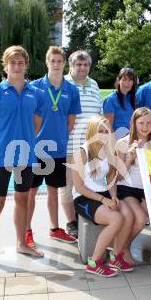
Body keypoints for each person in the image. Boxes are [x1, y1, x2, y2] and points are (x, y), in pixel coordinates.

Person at [0, 45, 45, 273]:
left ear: (26, 65)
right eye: (12, 63)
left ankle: (21, 243)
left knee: (22, 200)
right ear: (5, 65)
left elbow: (36, 125)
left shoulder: (37, 94)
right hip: (1, 158)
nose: (16, 67)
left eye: (20, 63)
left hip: (26, 155)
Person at [26, 46, 82, 249]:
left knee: (52, 191)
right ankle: (26, 231)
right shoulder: (34, 87)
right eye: (53, 60)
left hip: (57, 150)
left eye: (60, 61)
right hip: (36, 150)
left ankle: (54, 228)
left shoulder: (71, 90)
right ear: (47, 62)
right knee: (31, 192)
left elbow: (71, 121)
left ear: (64, 63)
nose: (56, 64)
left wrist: (60, 139)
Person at [72, 116, 134, 277]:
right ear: (92, 132)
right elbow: (79, 186)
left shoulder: (108, 151)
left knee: (128, 215)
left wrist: (113, 196)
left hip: (104, 193)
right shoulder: (81, 152)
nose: (104, 135)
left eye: (107, 131)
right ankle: (94, 262)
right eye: (100, 131)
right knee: (117, 219)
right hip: (84, 197)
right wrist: (103, 200)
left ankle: (115, 257)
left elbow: (111, 179)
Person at [60, 50, 103, 238]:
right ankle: (71, 222)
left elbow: (99, 114)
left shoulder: (94, 85)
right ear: (71, 66)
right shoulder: (63, 84)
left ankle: (83, 216)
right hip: (70, 145)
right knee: (69, 186)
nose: (82, 68)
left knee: (87, 184)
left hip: (90, 148)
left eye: (85, 64)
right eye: (78, 64)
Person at [115, 107, 151, 265]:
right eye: (141, 123)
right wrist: (129, 158)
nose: (145, 127)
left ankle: (125, 247)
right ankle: (124, 249)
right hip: (126, 188)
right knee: (140, 219)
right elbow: (118, 176)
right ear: (134, 123)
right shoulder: (123, 143)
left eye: (148, 123)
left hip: (145, 190)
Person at [103, 67, 136, 139]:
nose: (127, 83)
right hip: (117, 141)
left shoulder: (134, 98)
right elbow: (108, 127)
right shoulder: (110, 100)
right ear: (118, 80)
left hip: (132, 140)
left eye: (130, 80)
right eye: (124, 80)